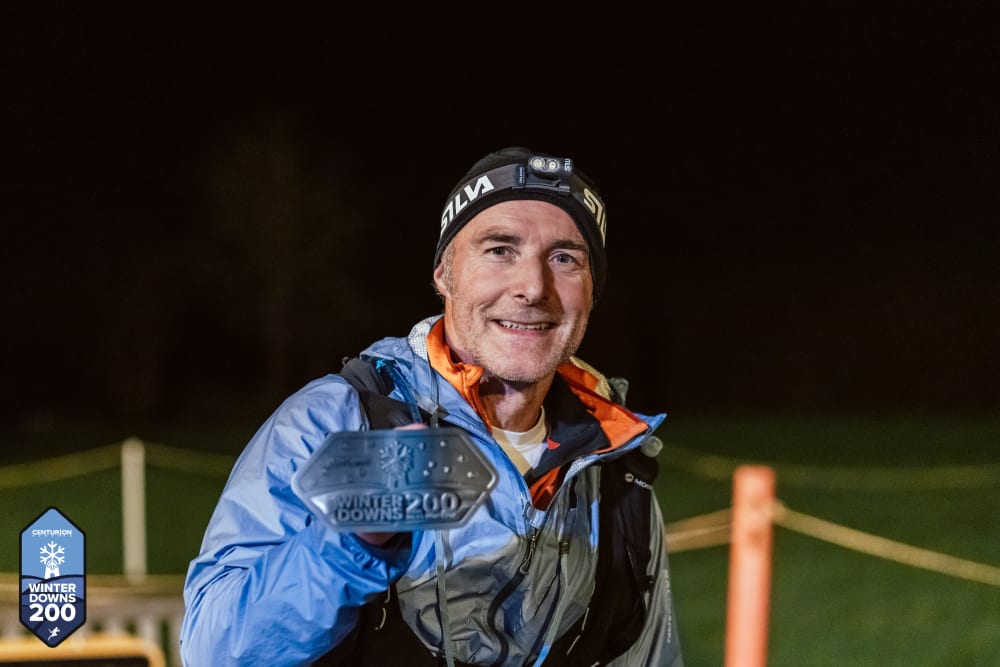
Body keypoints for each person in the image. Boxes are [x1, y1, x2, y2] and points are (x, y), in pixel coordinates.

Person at [180, 146, 684, 666]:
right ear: (444, 273)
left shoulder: (617, 468)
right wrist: (353, 541)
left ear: (593, 289)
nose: (534, 287)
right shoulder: (342, 420)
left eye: (565, 259)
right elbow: (212, 652)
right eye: (500, 250)